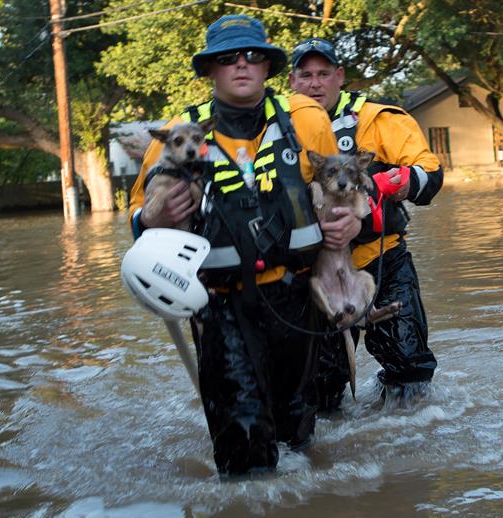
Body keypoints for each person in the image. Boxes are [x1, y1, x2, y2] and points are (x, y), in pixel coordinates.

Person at [127, 15, 354, 475]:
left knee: (297, 435)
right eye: (228, 58)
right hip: (219, 305)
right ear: (210, 70)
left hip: (297, 299)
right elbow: (137, 221)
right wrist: (151, 217)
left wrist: (349, 224)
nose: (242, 65)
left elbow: (341, 194)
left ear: (268, 66)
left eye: (253, 55)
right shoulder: (179, 134)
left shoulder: (307, 120)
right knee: (245, 450)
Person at [289, 38, 443, 410]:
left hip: (381, 260)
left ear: (339, 76)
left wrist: (397, 183)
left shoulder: (377, 118)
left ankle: (409, 448)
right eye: (306, 75)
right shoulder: (275, 126)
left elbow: (430, 172)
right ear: (292, 81)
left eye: (324, 74)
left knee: (409, 367)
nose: (314, 84)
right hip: (315, 272)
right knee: (320, 389)